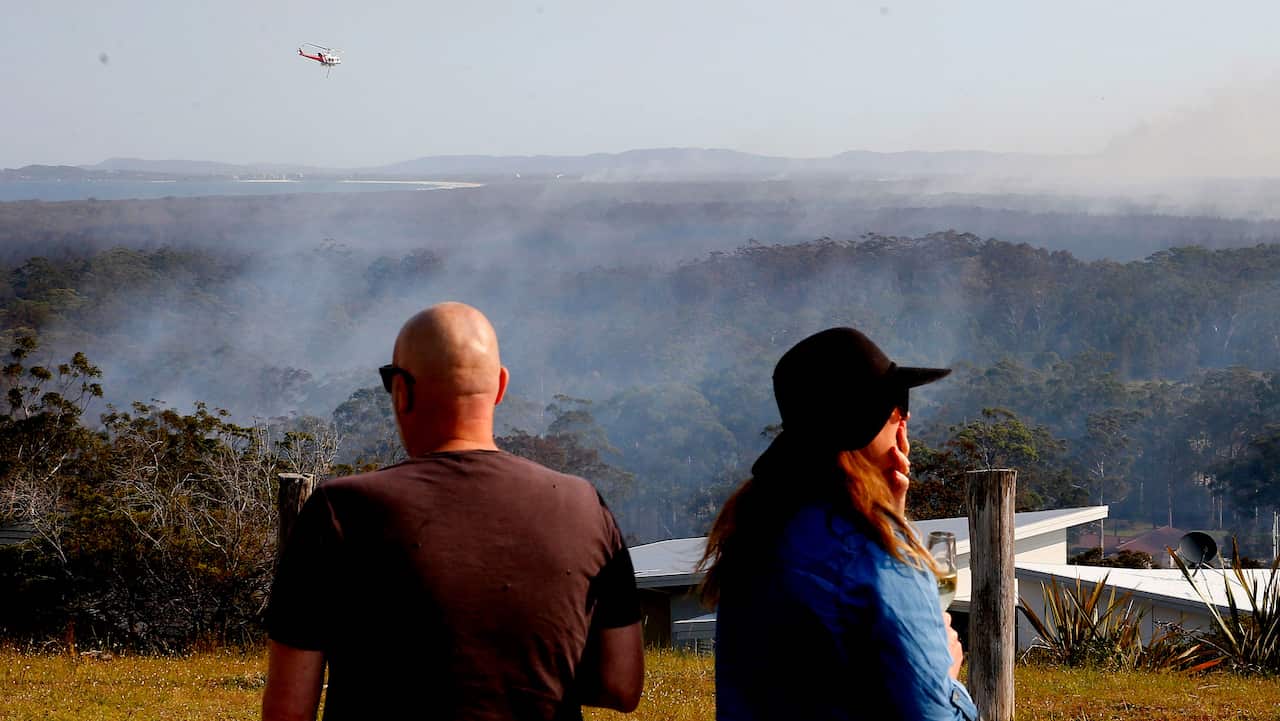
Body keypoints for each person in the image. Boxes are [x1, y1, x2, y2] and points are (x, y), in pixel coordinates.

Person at [261, 302, 644, 721]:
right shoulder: (585, 505)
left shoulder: (339, 511)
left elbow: (288, 710)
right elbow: (622, 685)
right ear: (499, 386)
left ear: (402, 391)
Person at [700, 327, 978, 721]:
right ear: (874, 429)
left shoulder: (755, 536)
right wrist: (946, 675)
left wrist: (891, 517)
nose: (906, 423)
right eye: (899, 410)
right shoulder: (874, 559)